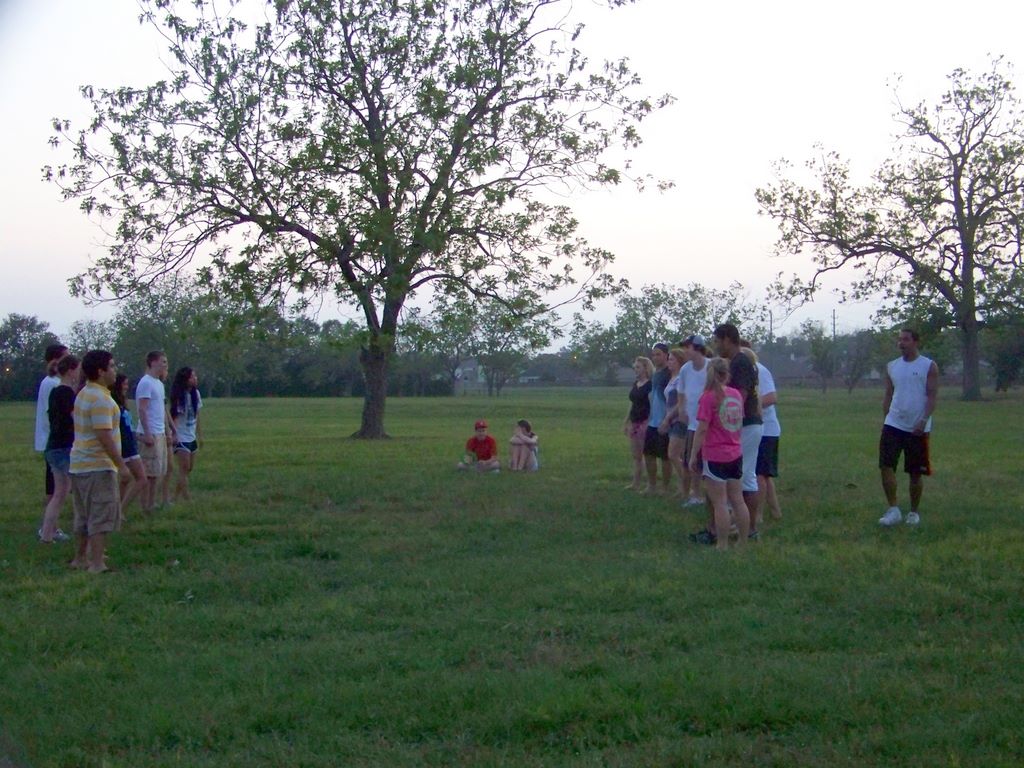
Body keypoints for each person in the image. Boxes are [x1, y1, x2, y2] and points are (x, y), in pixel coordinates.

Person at [68, 350, 128, 573]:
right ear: (101, 371)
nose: (115, 370)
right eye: (111, 366)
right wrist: (121, 465)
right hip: (97, 465)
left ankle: (80, 558)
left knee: (83, 515)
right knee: (100, 515)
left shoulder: (84, 393)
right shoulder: (101, 399)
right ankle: (96, 563)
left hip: (79, 464)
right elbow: (103, 435)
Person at [688, 357, 750, 551]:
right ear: (726, 374)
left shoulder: (708, 397)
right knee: (738, 500)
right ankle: (743, 541)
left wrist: (693, 454)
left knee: (720, 503)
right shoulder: (735, 395)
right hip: (735, 452)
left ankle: (722, 543)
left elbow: (702, 429)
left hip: (715, 454)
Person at [878, 328, 939, 527]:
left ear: (915, 342)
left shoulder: (928, 366)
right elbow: (889, 394)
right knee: (886, 465)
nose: (901, 343)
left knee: (915, 472)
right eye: (899, 340)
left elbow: (931, 396)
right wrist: (886, 417)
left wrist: (923, 420)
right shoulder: (892, 366)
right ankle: (893, 509)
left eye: (905, 339)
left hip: (917, 427)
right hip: (894, 423)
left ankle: (913, 512)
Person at [712, 324, 763, 539]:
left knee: (745, 476)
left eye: (717, 341)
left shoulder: (741, 362)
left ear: (727, 339)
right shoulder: (735, 362)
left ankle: (749, 528)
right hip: (745, 424)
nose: (715, 346)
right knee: (743, 476)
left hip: (747, 424)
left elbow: (740, 395)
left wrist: (726, 420)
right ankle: (743, 526)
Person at [39, 355, 80, 543]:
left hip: (53, 446)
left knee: (59, 493)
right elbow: (76, 419)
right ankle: (82, 531)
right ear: (71, 370)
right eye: (77, 369)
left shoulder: (55, 392)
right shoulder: (67, 393)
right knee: (77, 490)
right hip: (65, 447)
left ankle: (46, 535)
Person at [34, 343, 71, 541]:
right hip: (53, 441)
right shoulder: (52, 383)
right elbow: (54, 415)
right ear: (56, 360)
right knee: (55, 488)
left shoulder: (51, 381)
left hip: (51, 440)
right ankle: (49, 529)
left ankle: (50, 528)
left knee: (56, 486)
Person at [136, 351, 176, 513]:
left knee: (157, 472)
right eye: (163, 362)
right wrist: (147, 433)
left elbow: (161, 410)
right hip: (150, 433)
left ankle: (152, 503)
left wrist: (168, 431)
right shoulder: (146, 382)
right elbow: (142, 409)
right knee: (148, 473)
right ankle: (145, 505)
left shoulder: (159, 384)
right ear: (153, 362)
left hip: (160, 433)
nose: (165, 365)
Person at [750, 348, 782, 523]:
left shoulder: (760, 371)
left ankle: (758, 514)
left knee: (759, 475)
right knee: (764, 474)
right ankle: (776, 511)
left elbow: (772, 397)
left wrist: (750, 405)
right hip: (758, 429)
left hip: (767, 430)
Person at [678, 334, 709, 506]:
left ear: (697, 348)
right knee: (692, 460)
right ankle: (695, 494)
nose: (685, 351)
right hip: (692, 424)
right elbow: (681, 391)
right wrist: (681, 409)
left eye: (687, 347)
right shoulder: (685, 369)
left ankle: (713, 494)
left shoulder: (710, 366)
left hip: (709, 423)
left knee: (710, 461)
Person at [112, 373, 147, 516]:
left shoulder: (122, 403)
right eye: (124, 384)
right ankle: (121, 510)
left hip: (130, 443)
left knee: (125, 480)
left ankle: (116, 510)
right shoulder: (114, 404)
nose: (126, 387)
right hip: (125, 446)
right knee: (141, 478)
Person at [643, 342, 673, 495]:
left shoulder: (669, 374)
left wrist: (668, 419)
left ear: (666, 355)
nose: (655, 357)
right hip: (653, 421)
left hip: (665, 421)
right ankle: (652, 485)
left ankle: (665, 487)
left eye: (658, 354)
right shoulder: (655, 374)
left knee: (665, 457)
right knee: (648, 454)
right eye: (653, 355)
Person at [170, 366, 203, 501]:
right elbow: (175, 417)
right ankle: (187, 498)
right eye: (192, 376)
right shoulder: (179, 396)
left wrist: (200, 435)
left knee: (189, 469)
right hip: (181, 436)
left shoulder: (196, 394)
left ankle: (175, 497)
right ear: (185, 379)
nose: (195, 378)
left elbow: (197, 416)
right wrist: (174, 434)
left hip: (191, 436)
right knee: (184, 467)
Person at [660, 348, 689, 497]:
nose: (669, 362)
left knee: (673, 454)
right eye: (669, 359)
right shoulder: (672, 378)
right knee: (680, 456)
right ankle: (682, 487)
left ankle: (687, 486)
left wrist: (668, 418)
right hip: (671, 420)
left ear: (679, 362)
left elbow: (680, 402)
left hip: (679, 420)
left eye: (672, 359)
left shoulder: (680, 380)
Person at [622, 356, 653, 490]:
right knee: (636, 455)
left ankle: (650, 484)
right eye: (634, 367)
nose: (636, 369)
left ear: (646, 368)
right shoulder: (636, 384)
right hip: (634, 421)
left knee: (646, 455)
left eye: (638, 367)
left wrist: (649, 422)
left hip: (644, 422)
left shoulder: (650, 385)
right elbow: (632, 403)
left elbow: (652, 405)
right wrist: (626, 421)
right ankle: (635, 483)